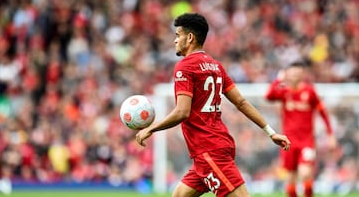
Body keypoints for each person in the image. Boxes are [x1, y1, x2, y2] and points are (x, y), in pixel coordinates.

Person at [135, 13, 291, 197]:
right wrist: (271, 132)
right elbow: (241, 102)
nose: (175, 40)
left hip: (209, 149)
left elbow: (182, 112)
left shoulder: (184, 66)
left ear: (190, 37)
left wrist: (151, 129)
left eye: (178, 35)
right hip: (213, 148)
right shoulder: (216, 66)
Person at [265, 62, 337, 197]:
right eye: (292, 74)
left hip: (306, 141)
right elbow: (268, 96)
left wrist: (330, 134)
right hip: (288, 141)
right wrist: (278, 80)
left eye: (297, 73)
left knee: (305, 173)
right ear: (288, 74)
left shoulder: (310, 92)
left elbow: (323, 113)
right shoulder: (284, 92)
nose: (294, 76)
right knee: (291, 176)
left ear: (302, 74)